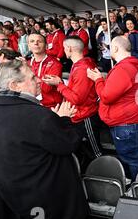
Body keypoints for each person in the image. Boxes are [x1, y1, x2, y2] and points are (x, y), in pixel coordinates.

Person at [0, 60, 88, 219]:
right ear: (14, 85)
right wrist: (64, 120)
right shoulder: (38, 116)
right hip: (46, 205)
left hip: (13, 201)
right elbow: (69, 143)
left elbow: (24, 137)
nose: (38, 80)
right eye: (32, 77)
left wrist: (53, 121)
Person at [87, 36, 138, 181]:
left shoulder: (124, 68)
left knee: (131, 158)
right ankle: (137, 184)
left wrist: (98, 80)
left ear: (114, 48)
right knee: (131, 157)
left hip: (126, 123)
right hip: (130, 120)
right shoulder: (131, 65)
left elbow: (107, 96)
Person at [42, 36, 102, 171]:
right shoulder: (80, 64)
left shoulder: (82, 68)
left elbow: (78, 99)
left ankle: (104, 177)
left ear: (69, 48)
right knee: (86, 153)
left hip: (85, 116)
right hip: (80, 115)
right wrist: (61, 83)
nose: (63, 51)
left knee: (94, 153)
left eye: (64, 48)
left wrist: (59, 85)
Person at [28, 34, 63, 108]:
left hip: (51, 106)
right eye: (32, 41)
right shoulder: (27, 63)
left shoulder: (54, 63)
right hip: (32, 104)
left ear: (46, 46)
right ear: (28, 46)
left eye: (39, 41)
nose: (35, 43)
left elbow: (46, 88)